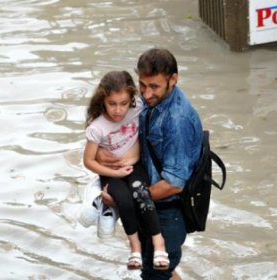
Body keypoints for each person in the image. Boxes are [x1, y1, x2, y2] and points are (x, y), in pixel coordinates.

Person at [99, 49, 203, 279]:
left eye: (153, 87)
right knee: (163, 273)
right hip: (152, 208)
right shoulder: (152, 102)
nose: (145, 94)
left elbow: (174, 184)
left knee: (154, 274)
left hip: (168, 215)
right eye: (142, 85)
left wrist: (125, 201)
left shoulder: (177, 120)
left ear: (173, 79)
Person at [83, 70, 170, 270]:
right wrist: (115, 173)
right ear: (102, 100)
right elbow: (88, 161)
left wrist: (133, 158)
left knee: (141, 194)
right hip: (109, 172)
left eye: (123, 103)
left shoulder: (138, 106)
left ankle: (159, 243)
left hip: (134, 167)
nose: (118, 110)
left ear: (131, 99)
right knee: (124, 200)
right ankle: (135, 248)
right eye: (112, 104)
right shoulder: (97, 128)